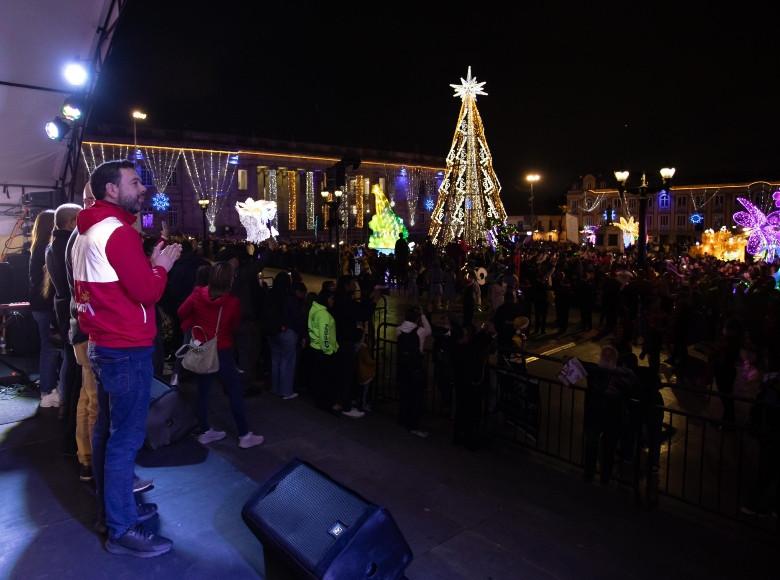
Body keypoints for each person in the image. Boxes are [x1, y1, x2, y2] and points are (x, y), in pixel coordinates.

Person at [72, 159, 182, 557]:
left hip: (102, 344)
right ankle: (121, 529)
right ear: (111, 190)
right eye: (135, 182)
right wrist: (161, 267)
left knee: (106, 432)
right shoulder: (117, 233)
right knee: (125, 440)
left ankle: (112, 511)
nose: (143, 189)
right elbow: (147, 293)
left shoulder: (84, 233)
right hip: (126, 347)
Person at [178, 261, 265, 449]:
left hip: (201, 348)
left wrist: (195, 322)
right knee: (234, 391)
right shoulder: (232, 303)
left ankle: (205, 431)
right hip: (222, 350)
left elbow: (181, 312)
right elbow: (233, 326)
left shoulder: (196, 294)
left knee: (203, 392)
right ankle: (243, 434)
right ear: (229, 281)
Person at [45, 203, 83, 458]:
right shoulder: (68, 245)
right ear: (71, 222)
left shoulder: (52, 244)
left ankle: (66, 411)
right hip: (69, 309)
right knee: (75, 366)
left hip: (61, 306)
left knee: (70, 363)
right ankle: (71, 418)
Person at [29, 209, 60, 408]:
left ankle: (49, 388)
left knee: (48, 348)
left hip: (39, 305)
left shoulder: (37, 247)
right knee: (50, 349)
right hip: (47, 306)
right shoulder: (47, 249)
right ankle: (48, 391)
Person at [396, 306, 432, 437]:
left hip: (402, 366)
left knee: (404, 394)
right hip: (416, 368)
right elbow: (429, 330)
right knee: (416, 398)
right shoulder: (420, 331)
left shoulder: (399, 329)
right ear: (417, 318)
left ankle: (402, 419)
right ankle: (413, 425)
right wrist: (423, 315)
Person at [308, 288, 339, 409]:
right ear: (326, 299)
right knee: (327, 379)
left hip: (315, 347)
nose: (333, 301)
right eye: (331, 299)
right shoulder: (324, 315)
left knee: (319, 378)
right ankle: (327, 404)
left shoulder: (314, 309)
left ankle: (320, 402)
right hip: (323, 351)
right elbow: (324, 335)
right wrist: (329, 351)